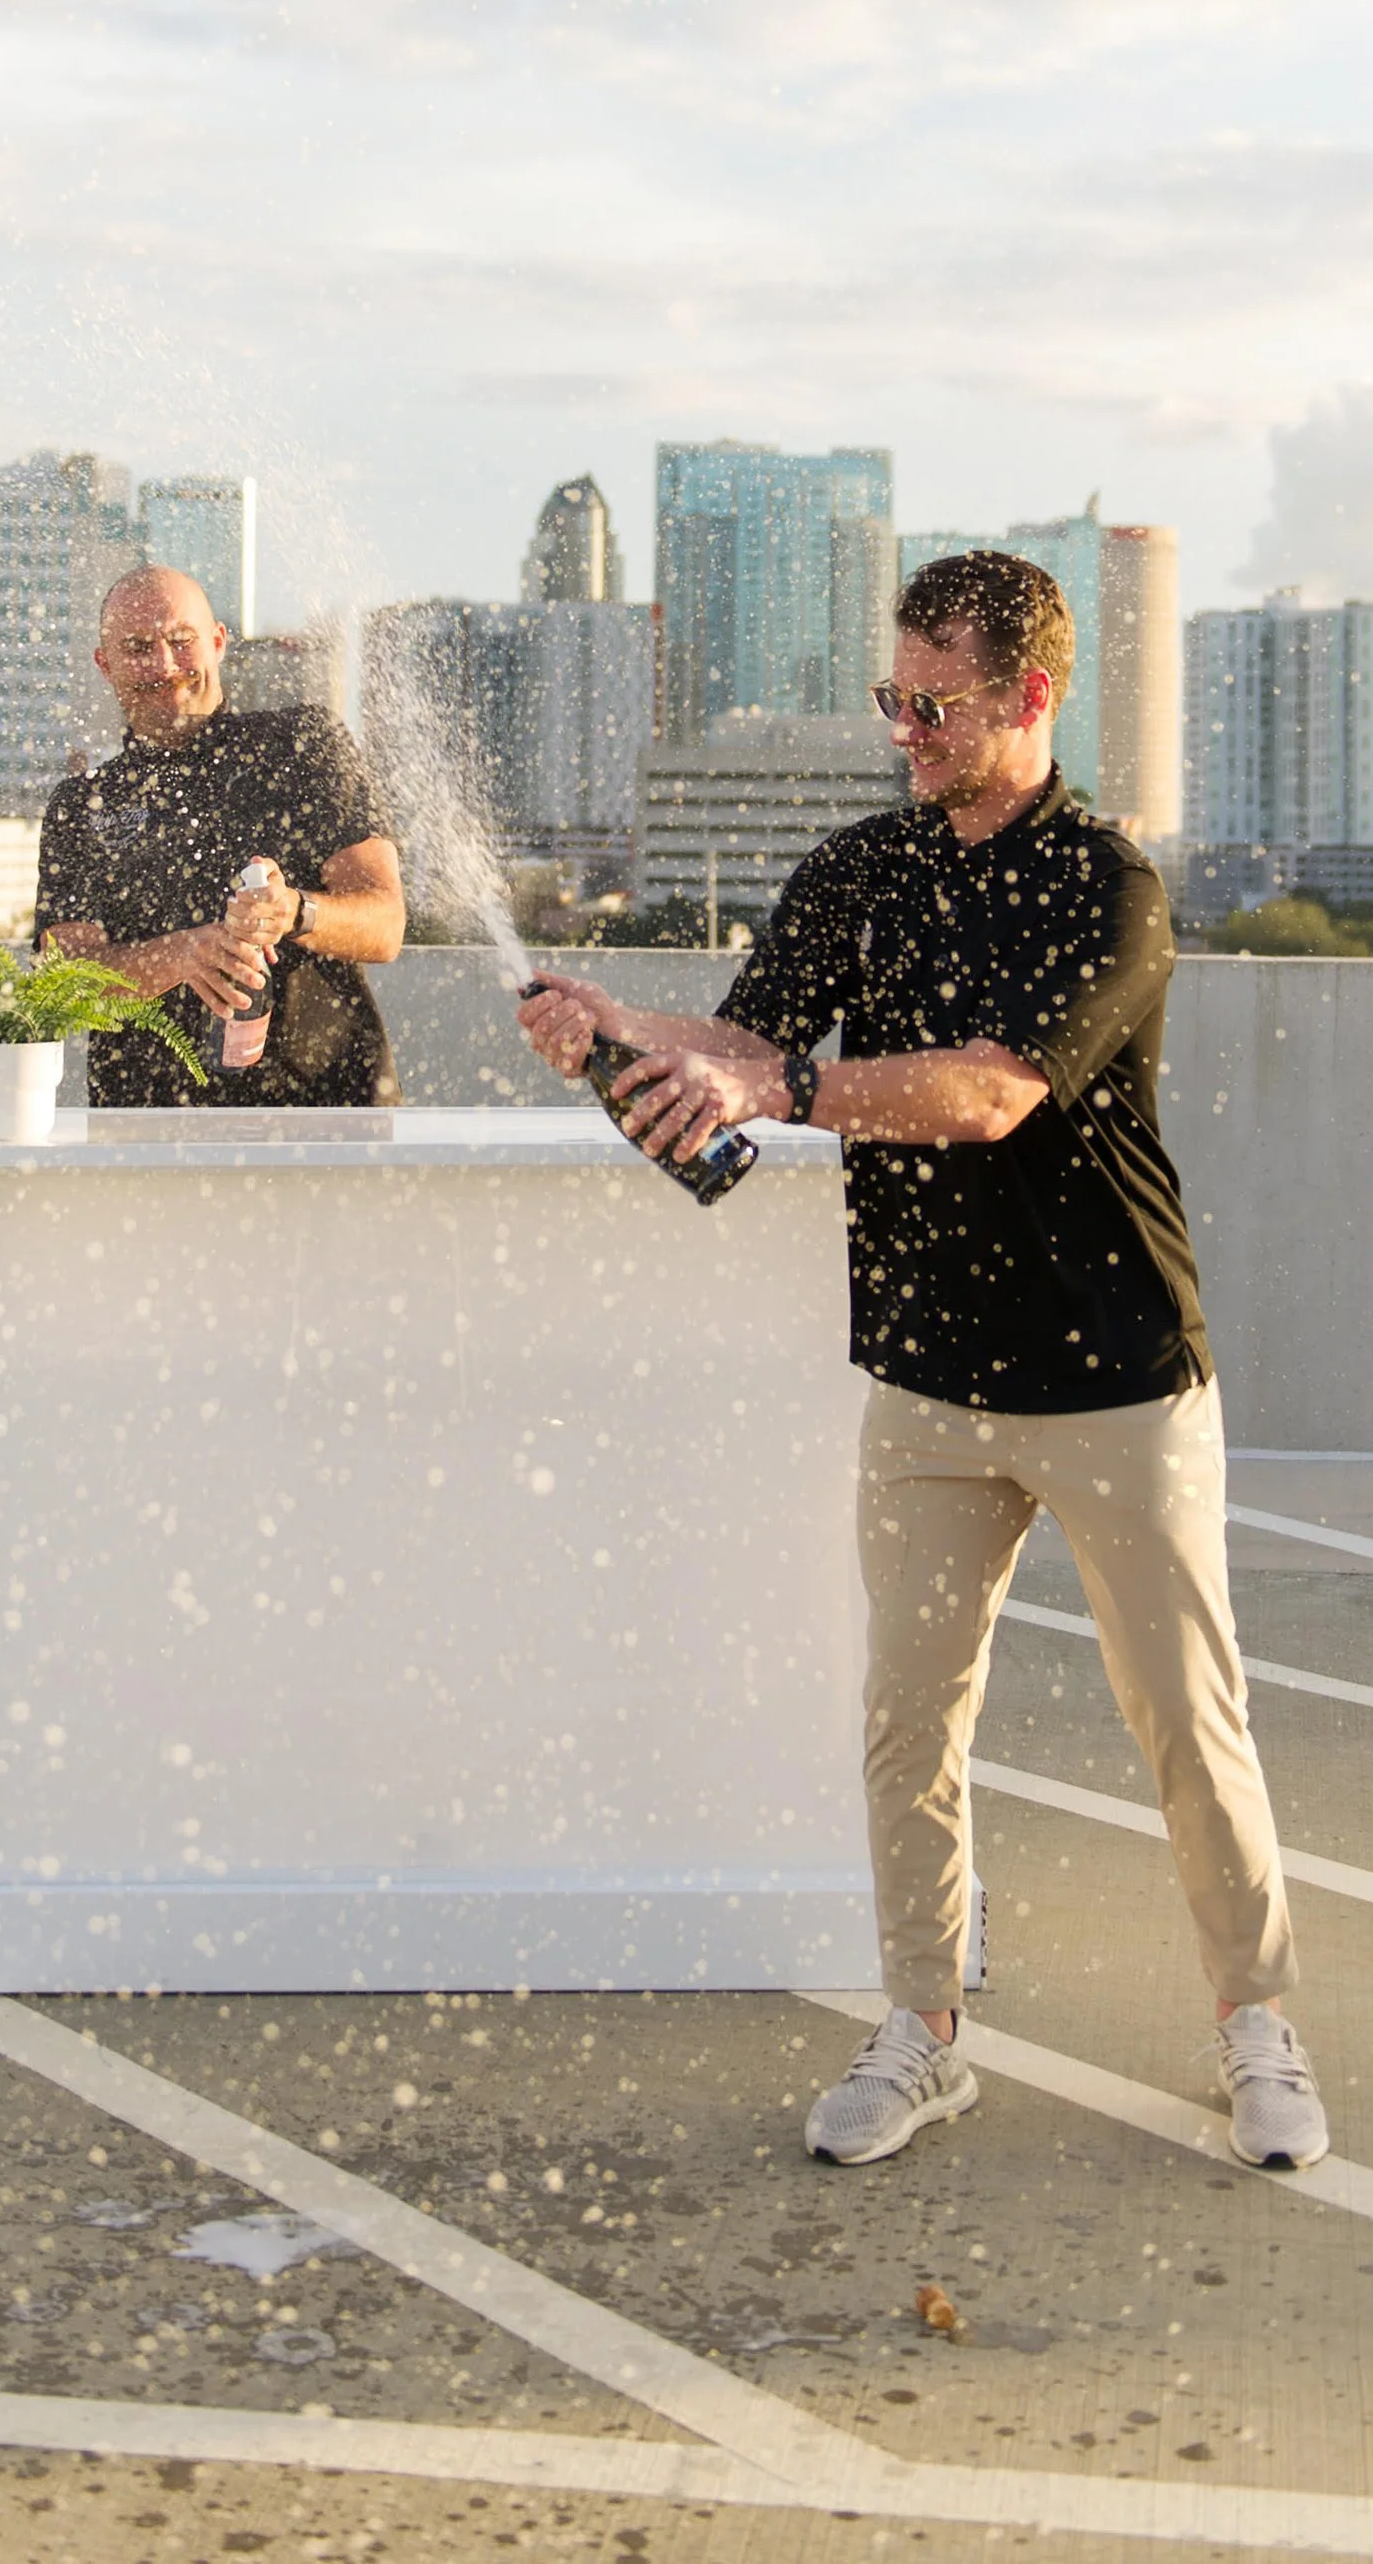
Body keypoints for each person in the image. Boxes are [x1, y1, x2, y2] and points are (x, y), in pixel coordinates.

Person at [518, 548, 1328, 2176]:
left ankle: (1260, 2028)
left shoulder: (1107, 883)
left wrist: (779, 1095)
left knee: (1185, 1720)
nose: (907, 730)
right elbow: (753, 1052)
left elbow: (985, 1094)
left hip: (1113, 1372)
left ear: (1034, 694)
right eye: (894, 699)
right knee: (908, 1722)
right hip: (926, 1374)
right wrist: (627, 1039)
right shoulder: (858, 866)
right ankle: (924, 2030)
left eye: (937, 704)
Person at [38, 566, 406, 1106]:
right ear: (105, 664)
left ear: (217, 643)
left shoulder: (303, 745)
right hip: (147, 1125)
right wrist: (179, 955)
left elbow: (385, 924)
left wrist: (294, 911)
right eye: (138, 647)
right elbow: (65, 982)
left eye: (181, 641)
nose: (164, 665)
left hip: (329, 1110)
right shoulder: (82, 807)